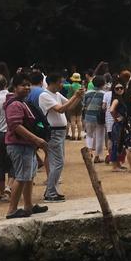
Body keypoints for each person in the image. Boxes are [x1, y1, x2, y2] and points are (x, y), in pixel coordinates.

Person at [4, 73, 49, 218]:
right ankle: (12, 210)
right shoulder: (15, 104)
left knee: (28, 176)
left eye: (28, 85)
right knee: (22, 176)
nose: (27, 87)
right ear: (15, 87)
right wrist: (36, 139)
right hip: (19, 145)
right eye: (23, 85)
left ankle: (28, 206)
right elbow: (16, 126)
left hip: (26, 145)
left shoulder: (21, 102)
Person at [40, 71, 84, 202]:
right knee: (58, 163)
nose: (61, 85)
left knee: (58, 162)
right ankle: (50, 192)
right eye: (60, 82)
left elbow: (70, 107)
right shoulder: (45, 95)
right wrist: (75, 96)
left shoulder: (56, 94)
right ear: (53, 83)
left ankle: (52, 190)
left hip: (60, 132)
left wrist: (78, 97)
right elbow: (60, 109)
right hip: (53, 132)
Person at [82, 77, 107, 164]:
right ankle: (97, 156)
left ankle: (89, 153)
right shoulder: (104, 94)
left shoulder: (87, 93)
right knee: (100, 136)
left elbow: (84, 104)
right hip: (100, 118)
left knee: (89, 135)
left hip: (88, 116)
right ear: (103, 84)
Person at [109, 82, 128, 171]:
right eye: (117, 88)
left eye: (121, 88)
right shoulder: (116, 99)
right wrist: (117, 118)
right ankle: (114, 166)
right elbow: (111, 110)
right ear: (114, 90)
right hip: (118, 125)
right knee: (116, 144)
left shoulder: (121, 99)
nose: (120, 89)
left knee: (120, 144)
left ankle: (118, 164)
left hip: (122, 125)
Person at [65, 72, 85, 140]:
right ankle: (79, 136)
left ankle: (73, 136)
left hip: (72, 103)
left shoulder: (70, 86)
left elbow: (68, 95)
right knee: (79, 120)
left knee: (73, 120)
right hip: (80, 103)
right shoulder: (81, 87)